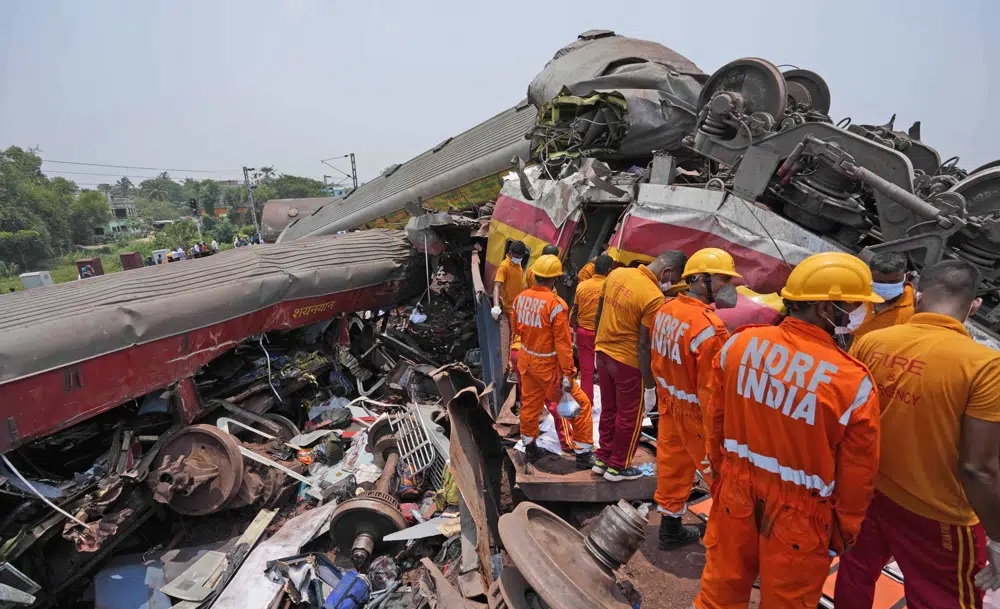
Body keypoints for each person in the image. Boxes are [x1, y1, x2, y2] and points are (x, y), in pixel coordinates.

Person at [696, 252, 882, 609]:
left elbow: (714, 419)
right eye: (853, 305)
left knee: (720, 591)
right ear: (826, 310)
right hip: (802, 518)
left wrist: (723, 475)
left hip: (735, 492)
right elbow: (858, 474)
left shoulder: (740, 343)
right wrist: (843, 532)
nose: (859, 313)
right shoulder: (852, 382)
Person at [834, 259, 1000, 609]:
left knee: (855, 570)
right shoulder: (983, 366)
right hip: (939, 513)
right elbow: (978, 468)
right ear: (975, 305)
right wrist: (998, 539)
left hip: (869, 491)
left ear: (919, 295)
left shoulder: (871, 341)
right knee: (940, 598)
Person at [652, 248, 739, 550]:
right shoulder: (709, 329)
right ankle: (724, 548)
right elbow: (712, 391)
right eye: (724, 278)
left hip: (669, 404)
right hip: (695, 415)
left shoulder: (665, 310)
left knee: (672, 466)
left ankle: (669, 529)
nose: (730, 287)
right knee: (722, 478)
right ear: (700, 280)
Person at [592, 251, 685, 482]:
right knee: (629, 417)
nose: (670, 285)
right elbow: (644, 345)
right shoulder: (653, 297)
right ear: (666, 272)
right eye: (673, 280)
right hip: (628, 363)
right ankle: (618, 467)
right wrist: (650, 386)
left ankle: (602, 458)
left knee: (608, 409)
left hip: (603, 354)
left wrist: (597, 343)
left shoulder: (616, 274)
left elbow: (599, 312)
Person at [512, 254, 595, 467]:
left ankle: (530, 447)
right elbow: (563, 343)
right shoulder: (556, 305)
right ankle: (584, 453)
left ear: (536, 275)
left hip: (526, 360)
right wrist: (568, 372)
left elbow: (516, 329)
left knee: (530, 406)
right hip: (548, 367)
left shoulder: (520, 298)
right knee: (582, 405)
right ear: (555, 279)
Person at [571, 253, 612, 404]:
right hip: (603, 334)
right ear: (609, 270)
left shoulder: (582, 285)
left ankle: (587, 402)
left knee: (586, 371)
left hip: (583, 332)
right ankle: (607, 403)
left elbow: (575, 311)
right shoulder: (610, 288)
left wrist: (575, 332)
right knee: (606, 371)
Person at [852, 251, 915, 339]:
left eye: (893, 282)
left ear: (907, 277)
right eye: (880, 282)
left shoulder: (916, 306)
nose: (886, 287)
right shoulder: (861, 293)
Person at [493, 241, 528, 377]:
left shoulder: (517, 264)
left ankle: (514, 365)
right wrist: (496, 306)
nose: (518, 258)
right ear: (511, 253)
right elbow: (497, 286)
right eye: (517, 255)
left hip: (519, 307)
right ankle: (511, 367)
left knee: (517, 337)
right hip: (509, 309)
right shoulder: (505, 266)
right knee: (512, 339)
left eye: (520, 256)